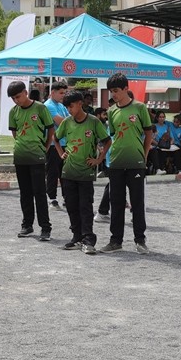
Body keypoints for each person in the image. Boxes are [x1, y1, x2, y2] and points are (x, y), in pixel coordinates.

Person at [101, 73, 153, 254]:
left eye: (116, 90)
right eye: (111, 91)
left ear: (125, 89)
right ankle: (116, 241)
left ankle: (140, 240)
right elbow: (113, 135)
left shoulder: (140, 108)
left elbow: (148, 134)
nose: (113, 94)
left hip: (136, 162)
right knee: (116, 203)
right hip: (115, 162)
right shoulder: (111, 111)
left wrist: (144, 155)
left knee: (137, 203)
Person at [54, 89, 110, 254]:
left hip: (86, 173)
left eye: (71, 106)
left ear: (80, 104)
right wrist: (60, 153)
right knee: (71, 206)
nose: (69, 110)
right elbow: (55, 139)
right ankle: (76, 237)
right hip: (68, 172)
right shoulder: (66, 122)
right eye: (67, 108)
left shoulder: (93, 122)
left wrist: (99, 160)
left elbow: (107, 141)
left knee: (85, 206)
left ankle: (88, 240)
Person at [7, 80, 54, 240]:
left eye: (18, 96)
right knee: (25, 193)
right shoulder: (13, 112)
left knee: (40, 192)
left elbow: (50, 129)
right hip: (20, 156)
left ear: (26, 92)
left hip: (37, 156)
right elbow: (15, 133)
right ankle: (27, 225)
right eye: (13, 98)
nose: (16, 100)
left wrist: (45, 148)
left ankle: (45, 228)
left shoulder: (40, 108)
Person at [44, 80, 70, 208]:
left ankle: (66, 196)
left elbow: (69, 121)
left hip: (64, 143)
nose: (63, 95)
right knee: (53, 172)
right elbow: (62, 122)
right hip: (54, 144)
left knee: (64, 172)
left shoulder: (61, 106)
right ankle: (52, 197)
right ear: (52, 92)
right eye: (61, 93)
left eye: (64, 93)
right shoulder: (48, 106)